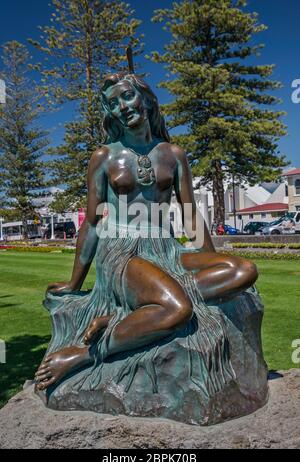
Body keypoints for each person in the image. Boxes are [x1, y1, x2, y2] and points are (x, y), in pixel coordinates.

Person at [35, 73, 258, 394]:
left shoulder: (174, 154)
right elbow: (93, 221)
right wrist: (74, 284)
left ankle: (137, 311)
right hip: (123, 253)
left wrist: (212, 258)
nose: (122, 107)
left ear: (145, 98)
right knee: (177, 308)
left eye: (126, 97)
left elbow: (190, 214)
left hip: (166, 249)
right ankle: (87, 353)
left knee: (243, 270)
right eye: (112, 104)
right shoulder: (105, 157)